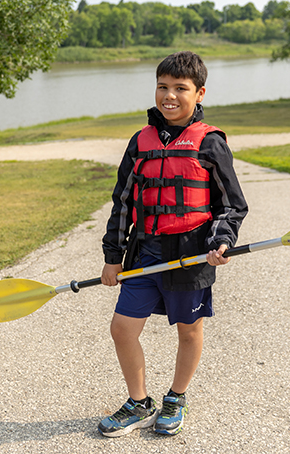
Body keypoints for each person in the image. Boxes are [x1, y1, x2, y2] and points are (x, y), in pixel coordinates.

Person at [98, 51, 248, 437]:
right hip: (145, 252)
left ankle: (176, 396)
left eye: (180, 89)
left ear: (199, 93)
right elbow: (123, 203)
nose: (169, 96)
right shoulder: (140, 142)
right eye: (162, 87)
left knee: (188, 330)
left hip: (191, 255)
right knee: (122, 329)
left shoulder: (210, 143)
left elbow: (231, 205)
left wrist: (222, 241)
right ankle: (139, 402)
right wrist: (112, 258)